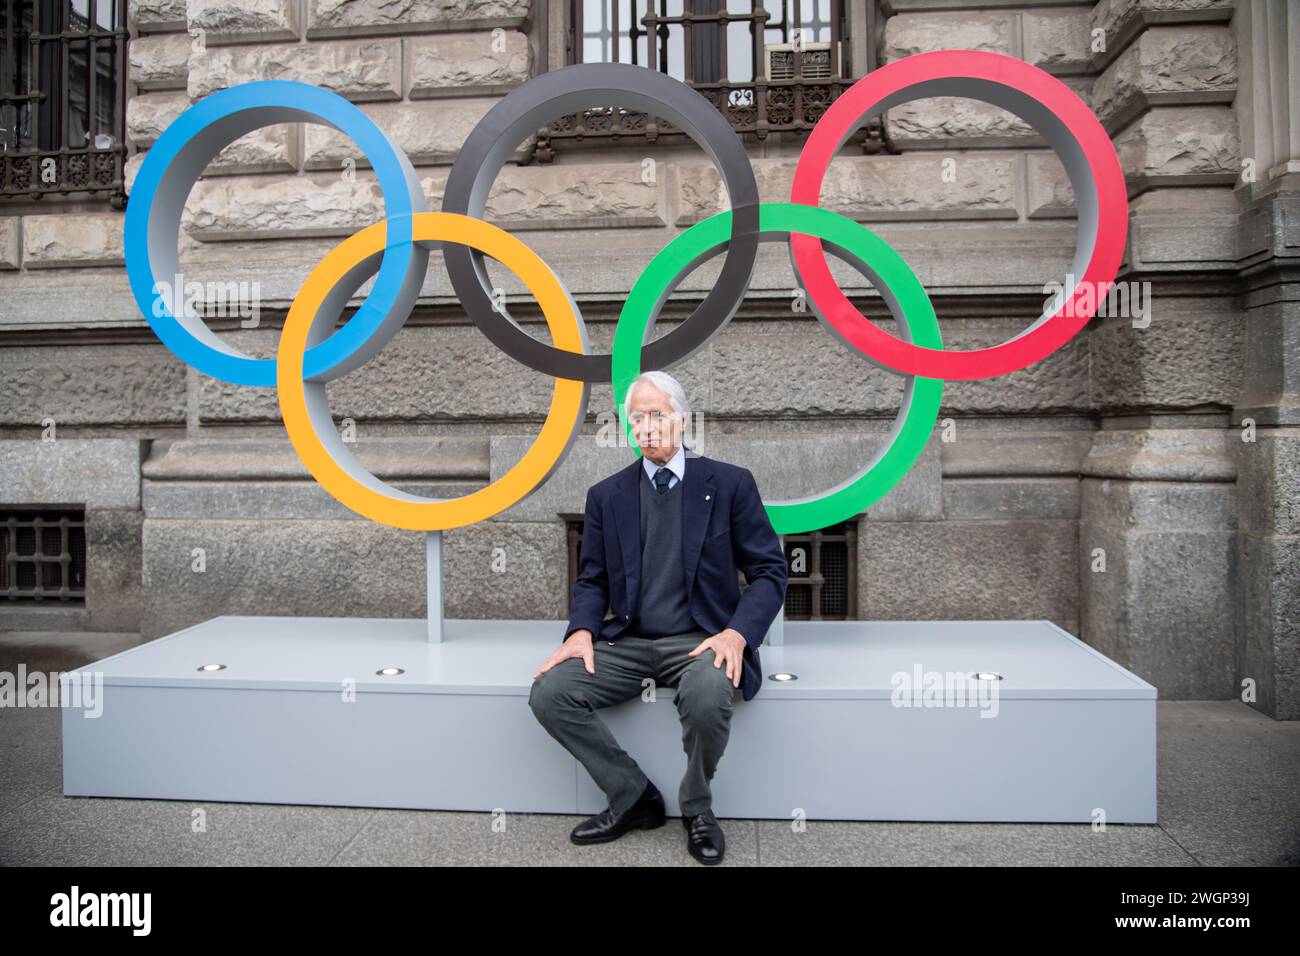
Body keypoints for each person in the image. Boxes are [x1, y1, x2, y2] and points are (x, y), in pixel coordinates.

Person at [529, 369, 788, 865]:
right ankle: (633, 796)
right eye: (636, 419)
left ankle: (696, 808)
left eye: (657, 415)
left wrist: (737, 635)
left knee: (709, 697)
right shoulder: (608, 495)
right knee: (550, 692)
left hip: (700, 642)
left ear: (683, 420)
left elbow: (770, 571)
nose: (646, 427)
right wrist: (581, 631)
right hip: (627, 641)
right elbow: (594, 579)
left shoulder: (730, 484)